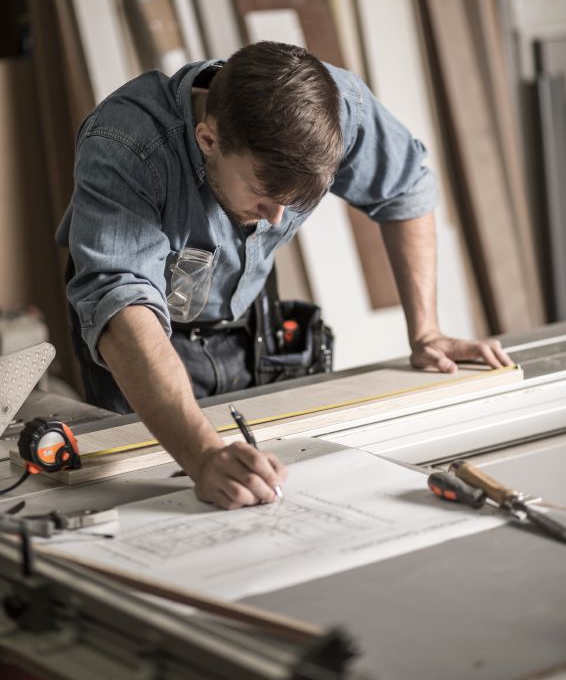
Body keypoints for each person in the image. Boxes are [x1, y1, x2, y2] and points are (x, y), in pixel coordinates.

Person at [56, 41, 512, 510]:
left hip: (248, 318)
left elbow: (405, 185)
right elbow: (120, 301)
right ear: (207, 139)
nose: (276, 220)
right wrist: (203, 454)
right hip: (142, 340)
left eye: (293, 203)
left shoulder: (334, 109)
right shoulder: (127, 143)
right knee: (154, 495)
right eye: (262, 193)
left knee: (260, 492)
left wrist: (426, 331)